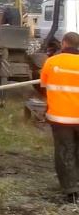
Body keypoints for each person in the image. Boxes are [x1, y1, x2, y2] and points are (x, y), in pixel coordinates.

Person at [40, 32, 79, 203]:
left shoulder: (51, 62)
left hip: (60, 118)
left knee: (65, 151)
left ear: (64, 43)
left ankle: (71, 191)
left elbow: (43, 87)